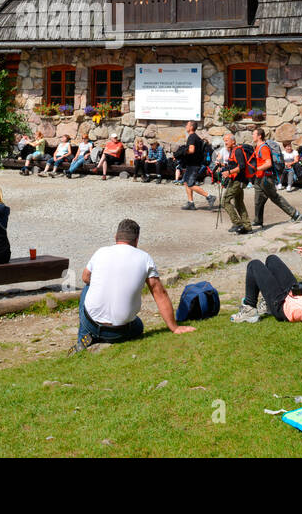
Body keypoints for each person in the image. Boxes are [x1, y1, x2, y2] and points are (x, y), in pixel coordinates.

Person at [75, 218, 195, 350]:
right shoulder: (145, 258)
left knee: (87, 288)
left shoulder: (101, 252)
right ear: (136, 240)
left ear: (116, 237)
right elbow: (159, 293)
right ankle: (98, 336)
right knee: (138, 325)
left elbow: (85, 277)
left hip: (92, 324)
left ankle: (83, 339)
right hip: (120, 332)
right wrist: (174, 327)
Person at [250, 127, 302, 228]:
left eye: (254, 134)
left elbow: (268, 163)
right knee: (258, 200)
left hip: (266, 178)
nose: (252, 136)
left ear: (259, 136)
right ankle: (258, 220)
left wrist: (256, 169)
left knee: (275, 197)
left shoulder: (263, 148)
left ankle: (294, 214)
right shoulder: (257, 146)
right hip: (259, 178)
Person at [217, 133, 255, 234]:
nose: (225, 143)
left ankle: (237, 223)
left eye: (227, 140)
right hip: (237, 180)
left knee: (225, 201)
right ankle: (247, 227)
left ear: (233, 141)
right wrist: (223, 166)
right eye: (224, 140)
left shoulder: (237, 151)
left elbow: (242, 166)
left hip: (238, 181)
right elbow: (233, 165)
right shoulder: (233, 151)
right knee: (239, 204)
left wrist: (228, 172)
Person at [177, 120, 215, 210]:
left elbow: (191, 150)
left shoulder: (192, 137)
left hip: (194, 165)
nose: (186, 126)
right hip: (192, 164)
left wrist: (181, 152)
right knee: (186, 182)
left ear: (191, 127)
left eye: (187, 125)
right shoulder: (195, 137)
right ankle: (191, 203)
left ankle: (209, 197)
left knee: (190, 184)